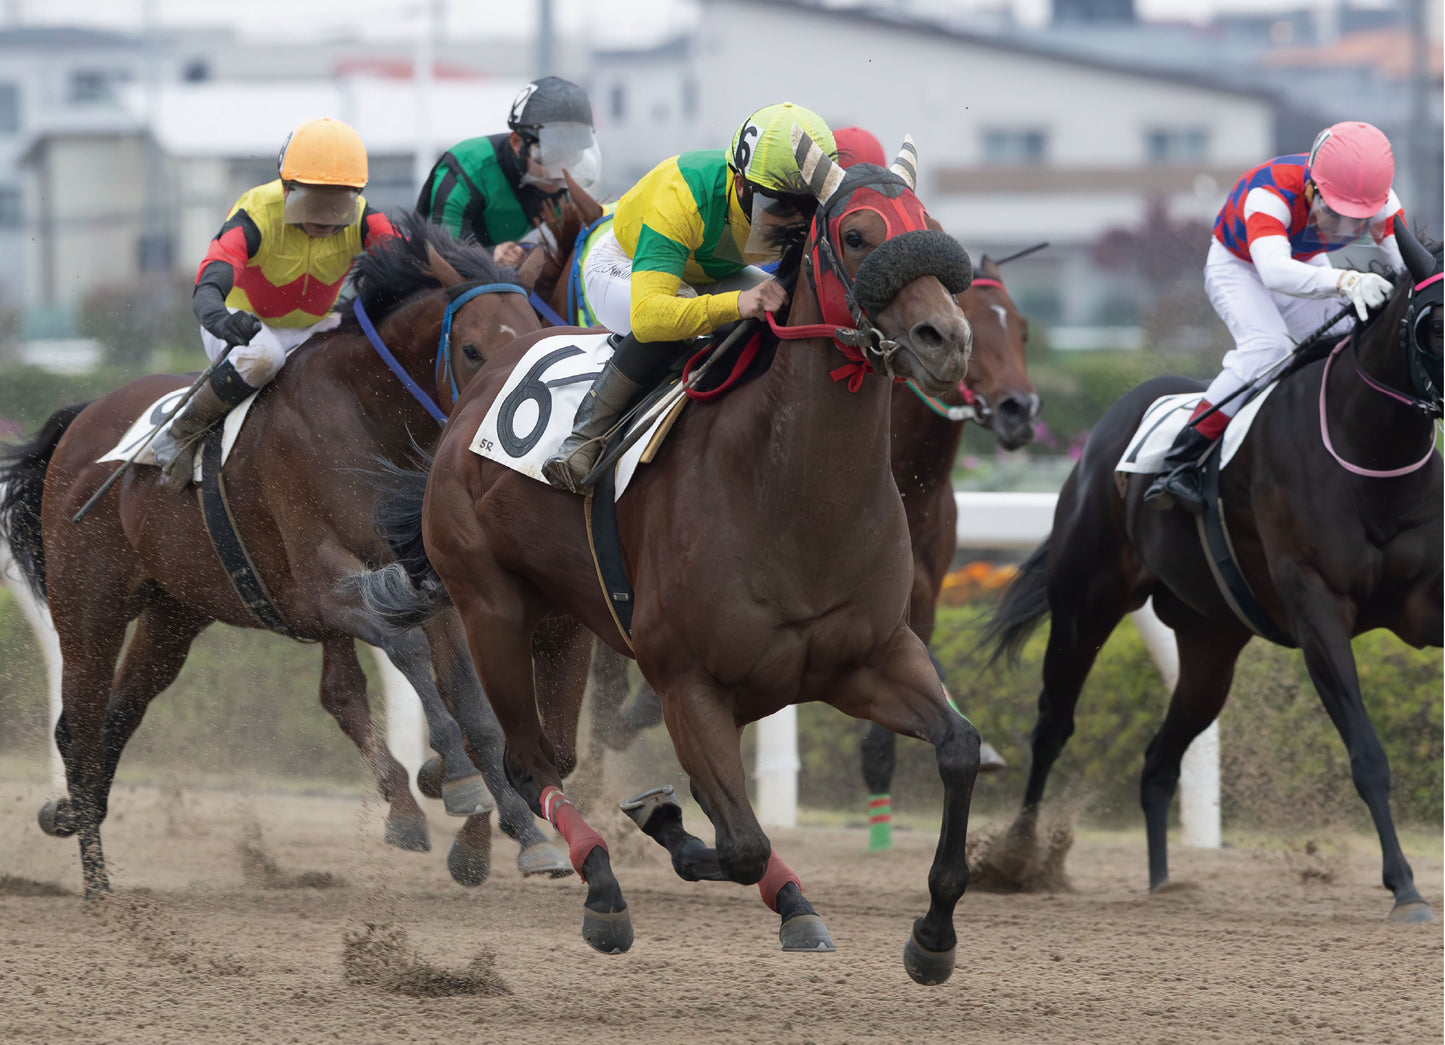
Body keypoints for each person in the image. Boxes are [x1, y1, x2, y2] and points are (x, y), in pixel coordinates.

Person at [541, 101, 837, 493]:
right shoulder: (681, 195)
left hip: (710, 272)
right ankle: (582, 441)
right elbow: (647, 316)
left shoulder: (777, 199)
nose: (795, 221)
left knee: (784, 306)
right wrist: (736, 304)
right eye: (780, 205)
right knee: (675, 315)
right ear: (741, 184)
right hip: (622, 264)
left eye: (809, 206)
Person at [1145, 120, 1406, 513]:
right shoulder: (1269, 191)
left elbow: (1411, 273)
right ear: (1311, 186)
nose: (1346, 227)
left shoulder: (1384, 201)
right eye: (1336, 212)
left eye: (1359, 217)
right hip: (1241, 265)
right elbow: (1274, 272)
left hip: (1303, 262)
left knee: (1353, 343)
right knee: (1267, 348)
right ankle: (1180, 462)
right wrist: (1349, 280)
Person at [151, 117, 397, 492]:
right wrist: (220, 318)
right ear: (286, 188)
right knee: (264, 356)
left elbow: (412, 267)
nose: (325, 218)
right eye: (313, 201)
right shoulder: (255, 214)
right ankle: (183, 430)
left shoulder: (367, 220)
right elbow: (209, 283)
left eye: (338, 204)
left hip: (314, 324)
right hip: (244, 323)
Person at [416, 76, 601, 268]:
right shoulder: (469, 165)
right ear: (517, 143)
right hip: (428, 273)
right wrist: (491, 254)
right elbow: (442, 249)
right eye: (552, 154)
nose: (561, 170)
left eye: (572, 155)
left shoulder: (560, 182)